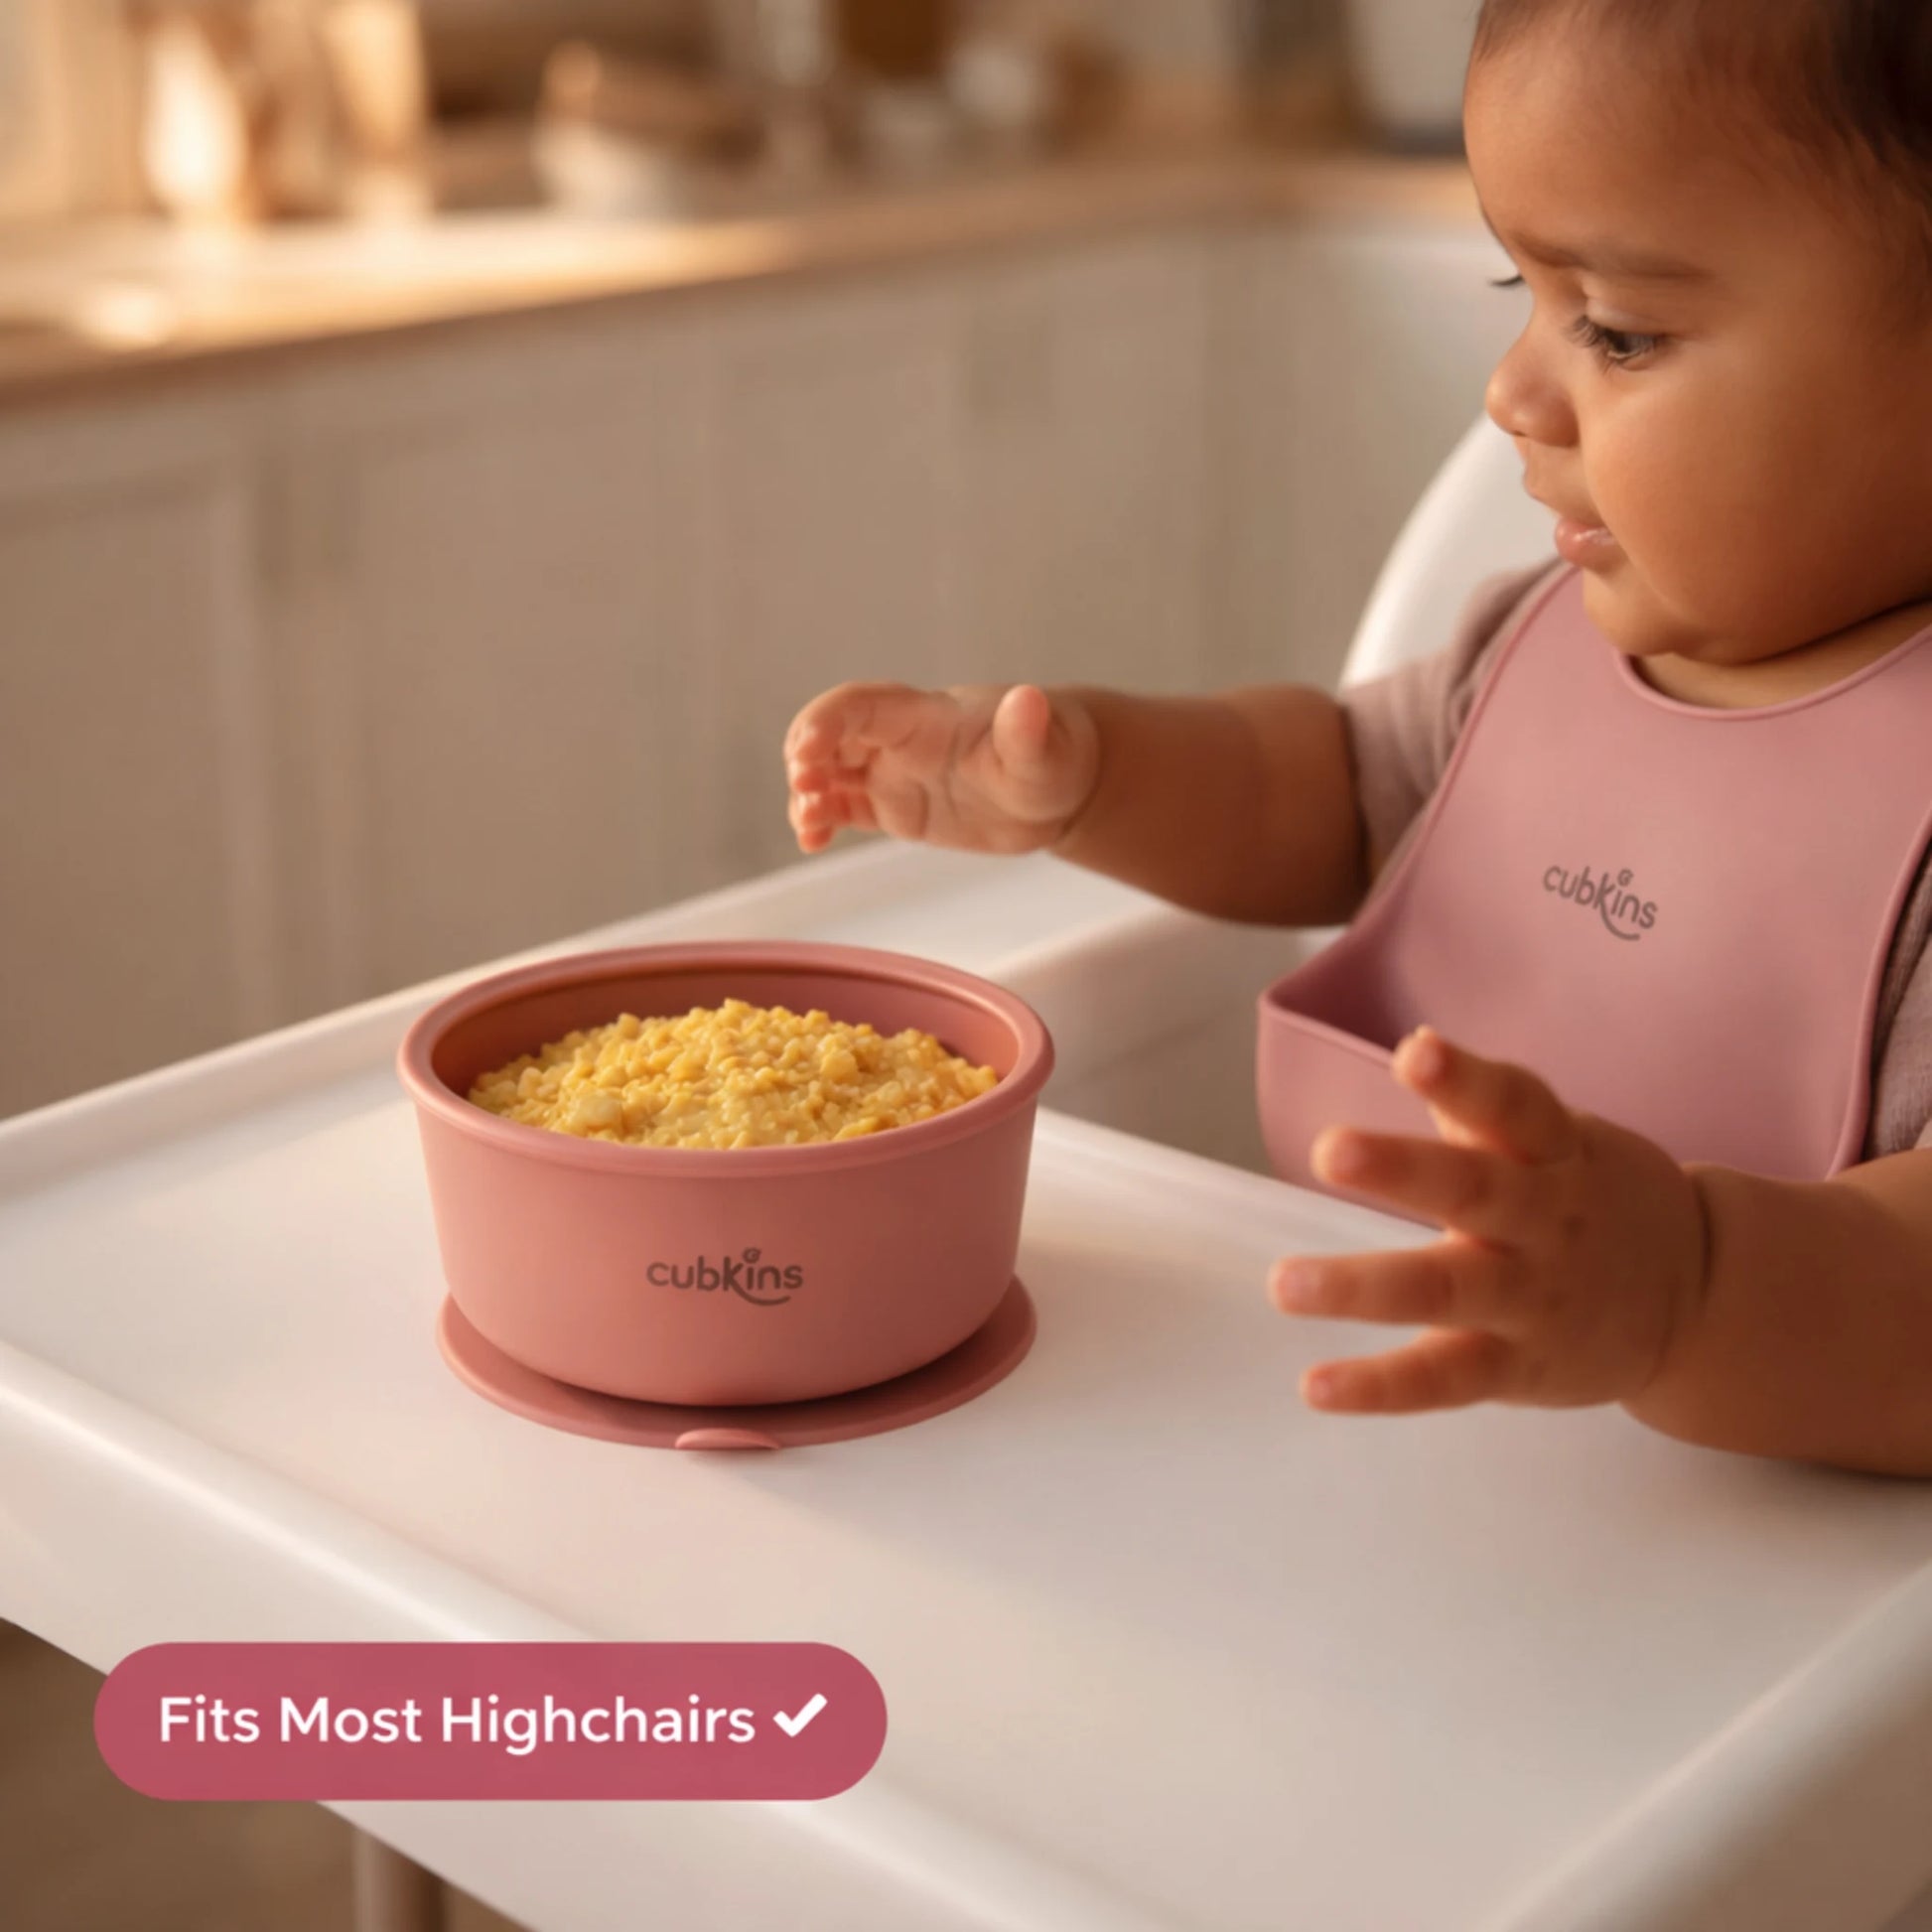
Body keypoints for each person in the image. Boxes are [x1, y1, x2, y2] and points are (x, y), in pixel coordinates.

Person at [780, 0, 1932, 1474]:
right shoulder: (1530, 644)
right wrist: (1091, 777)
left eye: (1618, 330)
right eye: (1519, 289)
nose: (1508, 391)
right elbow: (1318, 785)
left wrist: (1683, 1287)